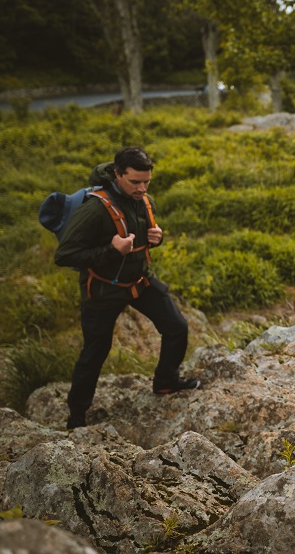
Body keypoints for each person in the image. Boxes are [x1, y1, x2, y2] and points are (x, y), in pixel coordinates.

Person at [55, 146, 197, 430]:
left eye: (147, 182)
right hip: (103, 290)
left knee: (176, 327)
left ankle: (166, 382)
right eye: (135, 182)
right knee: (95, 352)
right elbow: (64, 255)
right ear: (118, 174)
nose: (142, 188)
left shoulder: (144, 201)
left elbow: (142, 236)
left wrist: (157, 239)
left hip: (139, 281)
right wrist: (111, 249)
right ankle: (76, 415)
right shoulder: (94, 209)